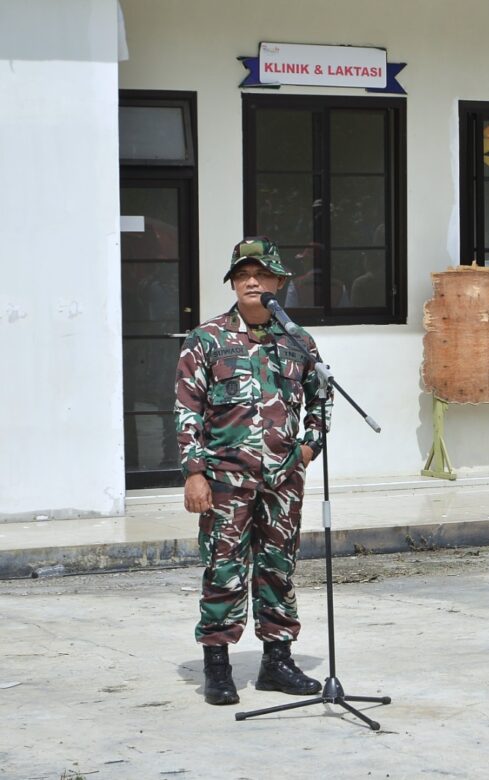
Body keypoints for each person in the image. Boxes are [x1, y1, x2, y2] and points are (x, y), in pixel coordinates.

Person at [175, 236, 332, 705]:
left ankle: (277, 663)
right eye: (243, 275)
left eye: (261, 274)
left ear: (278, 282)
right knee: (223, 569)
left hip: (283, 480)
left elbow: (321, 398)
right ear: (233, 283)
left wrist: (308, 448)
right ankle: (218, 667)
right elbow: (186, 409)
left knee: (278, 568)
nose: (251, 281)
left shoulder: (298, 340)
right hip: (225, 479)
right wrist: (194, 472)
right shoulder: (207, 339)